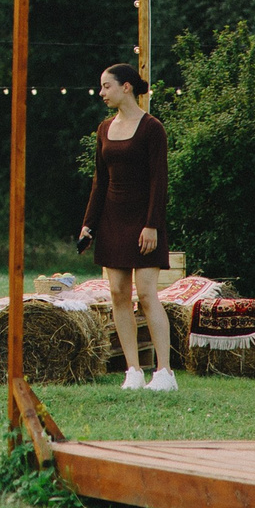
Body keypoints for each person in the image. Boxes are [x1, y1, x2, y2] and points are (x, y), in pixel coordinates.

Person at [80, 62, 177, 392]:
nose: (101, 92)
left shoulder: (152, 128)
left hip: (144, 220)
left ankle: (164, 373)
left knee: (148, 294)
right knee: (119, 294)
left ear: (126, 87)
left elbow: (158, 181)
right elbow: (100, 180)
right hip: (112, 220)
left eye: (106, 86)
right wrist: (88, 225)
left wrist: (152, 225)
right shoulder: (104, 128)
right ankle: (133, 371)